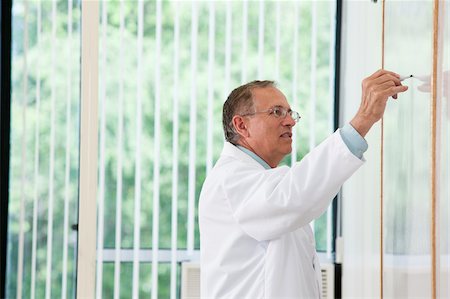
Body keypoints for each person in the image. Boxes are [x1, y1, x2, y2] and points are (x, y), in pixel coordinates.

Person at [198, 69, 408, 298]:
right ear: (241, 125)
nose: (290, 122)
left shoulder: (262, 180)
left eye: (290, 113)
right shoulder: (231, 179)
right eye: (276, 112)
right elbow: (295, 194)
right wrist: (363, 119)